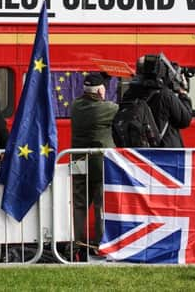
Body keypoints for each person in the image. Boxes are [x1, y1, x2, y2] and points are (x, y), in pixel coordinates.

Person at [70, 72, 118, 261]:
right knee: (100, 205)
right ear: (99, 91)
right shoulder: (107, 109)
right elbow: (118, 109)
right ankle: (99, 245)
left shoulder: (75, 106)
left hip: (78, 161)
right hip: (99, 164)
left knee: (79, 204)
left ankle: (77, 243)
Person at [123, 55, 193, 148]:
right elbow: (185, 120)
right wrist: (183, 94)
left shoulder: (130, 93)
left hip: (140, 150)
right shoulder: (165, 94)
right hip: (165, 150)